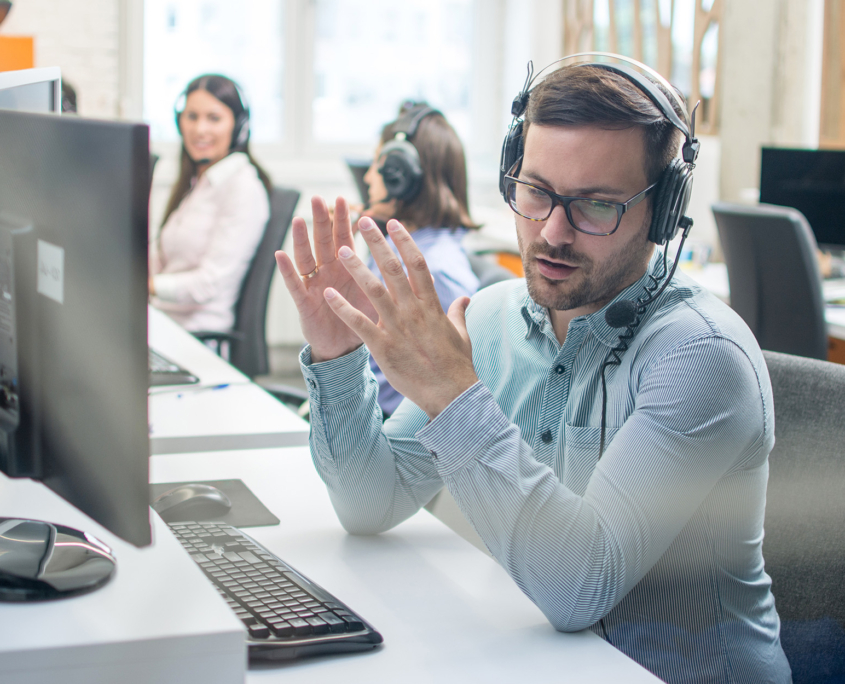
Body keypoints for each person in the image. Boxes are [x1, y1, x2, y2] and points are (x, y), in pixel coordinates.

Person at [275, 55, 791, 684]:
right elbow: (369, 502)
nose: (552, 233)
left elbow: (579, 587)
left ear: (662, 213)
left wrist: (451, 393)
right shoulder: (494, 317)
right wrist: (337, 353)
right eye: (536, 191)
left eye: (596, 206)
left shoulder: (701, 358)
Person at [342, 101, 480, 416]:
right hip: (368, 409)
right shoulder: (400, 248)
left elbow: (441, 396)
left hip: (391, 427)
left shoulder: (437, 272)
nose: (368, 179)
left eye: (379, 165)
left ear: (400, 175)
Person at [150, 74, 271, 333]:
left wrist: (147, 285)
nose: (199, 129)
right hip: (162, 322)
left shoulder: (243, 188)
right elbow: (165, 259)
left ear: (238, 127)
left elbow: (208, 283)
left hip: (196, 334)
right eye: (192, 117)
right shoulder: (198, 182)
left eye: (214, 118)